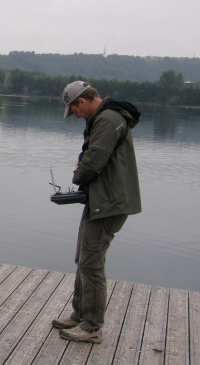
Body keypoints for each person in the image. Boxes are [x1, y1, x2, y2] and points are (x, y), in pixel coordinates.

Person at [53, 81, 142, 344]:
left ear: (82, 101)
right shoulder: (106, 118)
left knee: (91, 261)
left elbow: (94, 160)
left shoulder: (107, 120)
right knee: (84, 257)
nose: (75, 116)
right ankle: (80, 315)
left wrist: (78, 174)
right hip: (100, 200)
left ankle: (92, 326)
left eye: (74, 111)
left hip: (110, 203)